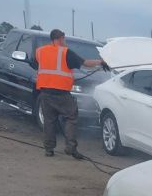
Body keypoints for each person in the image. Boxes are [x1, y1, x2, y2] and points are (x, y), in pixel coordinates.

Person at [31, 29, 108, 159]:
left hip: (45, 92)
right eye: (64, 39)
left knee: (49, 121)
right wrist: (101, 62)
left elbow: (38, 64)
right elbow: (85, 63)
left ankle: (49, 149)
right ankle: (70, 148)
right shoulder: (65, 52)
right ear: (61, 38)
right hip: (61, 93)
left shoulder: (40, 51)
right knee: (71, 117)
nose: (64, 42)